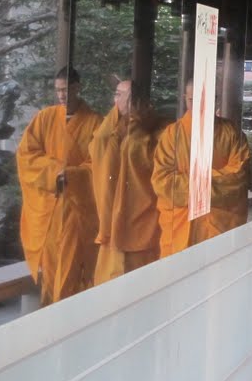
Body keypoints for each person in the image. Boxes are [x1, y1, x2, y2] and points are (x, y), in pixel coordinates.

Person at [16, 66, 103, 305]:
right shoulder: (44, 118)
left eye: (66, 90)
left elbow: (100, 164)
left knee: (73, 271)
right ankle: (51, 319)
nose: (61, 95)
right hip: (50, 211)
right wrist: (55, 172)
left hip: (78, 210)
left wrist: (73, 175)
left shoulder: (96, 123)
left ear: (77, 88)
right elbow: (26, 156)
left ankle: (70, 321)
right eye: (58, 91)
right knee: (52, 272)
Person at [151, 80, 251, 257]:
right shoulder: (171, 135)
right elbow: (162, 181)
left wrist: (191, 181)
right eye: (192, 100)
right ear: (184, 99)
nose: (198, 106)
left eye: (205, 101)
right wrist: (210, 184)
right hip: (180, 227)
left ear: (216, 100)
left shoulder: (232, 132)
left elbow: (238, 176)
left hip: (220, 226)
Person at [89, 77, 164, 284]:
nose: (119, 101)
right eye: (118, 95)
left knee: (141, 287)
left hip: (143, 222)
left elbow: (150, 163)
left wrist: (138, 127)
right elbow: (98, 145)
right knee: (108, 290)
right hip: (112, 223)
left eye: (124, 96)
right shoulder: (112, 127)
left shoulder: (160, 129)